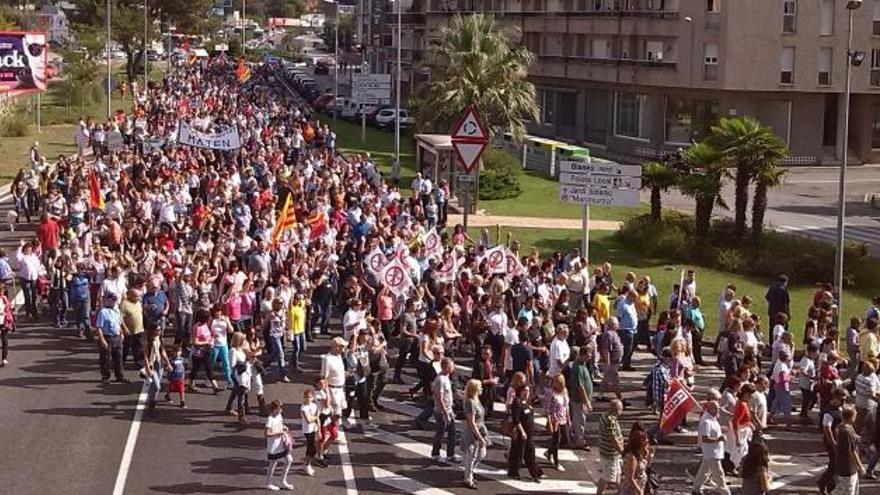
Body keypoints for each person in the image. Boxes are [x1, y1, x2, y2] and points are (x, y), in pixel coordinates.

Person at [692, 400, 731, 495]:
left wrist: (720, 429)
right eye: (716, 409)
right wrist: (719, 439)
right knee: (719, 473)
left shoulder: (712, 418)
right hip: (712, 451)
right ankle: (724, 491)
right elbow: (705, 438)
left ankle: (696, 489)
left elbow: (713, 431)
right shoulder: (706, 421)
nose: (718, 410)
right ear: (710, 409)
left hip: (713, 451)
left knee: (704, 471)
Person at [508, 384, 543, 482]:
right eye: (524, 390)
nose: (526, 393)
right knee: (518, 453)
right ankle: (513, 472)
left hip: (529, 433)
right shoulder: (517, 403)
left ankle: (535, 472)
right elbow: (516, 420)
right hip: (521, 434)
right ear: (520, 391)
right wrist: (522, 432)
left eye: (528, 391)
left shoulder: (528, 403)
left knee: (530, 453)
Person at [431, 357, 459, 464]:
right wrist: (445, 412)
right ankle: (435, 453)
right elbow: (440, 397)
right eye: (451, 366)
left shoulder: (446, 377)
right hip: (442, 411)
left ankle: (450, 454)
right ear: (446, 367)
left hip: (448, 409)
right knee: (440, 433)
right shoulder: (441, 379)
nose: (453, 368)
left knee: (452, 432)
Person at [462, 378, 489, 489]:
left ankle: (470, 473)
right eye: (480, 387)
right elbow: (471, 422)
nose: (481, 389)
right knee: (472, 455)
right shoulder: (470, 402)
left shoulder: (476, 398)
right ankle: (468, 479)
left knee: (482, 453)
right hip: (472, 431)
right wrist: (479, 437)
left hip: (480, 428)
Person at [818, 389, 847, 494]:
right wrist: (833, 443)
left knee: (837, 464)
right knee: (834, 464)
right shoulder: (829, 412)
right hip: (832, 442)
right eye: (842, 399)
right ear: (835, 398)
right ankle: (823, 482)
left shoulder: (839, 407)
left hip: (840, 441)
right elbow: (827, 429)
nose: (844, 402)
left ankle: (831, 485)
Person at [95, 293, 128, 384]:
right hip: (107, 337)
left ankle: (120, 375)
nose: (114, 302)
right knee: (106, 358)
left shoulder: (117, 310)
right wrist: (102, 340)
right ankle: (105, 376)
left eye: (115, 299)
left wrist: (121, 333)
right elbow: (99, 328)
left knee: (119, 357)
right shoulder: (103, 312)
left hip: (117, 337)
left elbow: (119, 323)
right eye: (112, 299)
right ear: (107, 300)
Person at [833, 406, 864, 495]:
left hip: (844, 463)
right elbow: (853, 451)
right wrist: (861, 466)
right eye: (855, 416)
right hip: (848, 466)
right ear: (851, 417)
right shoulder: (846, 432)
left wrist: (857, 438)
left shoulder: (841, 426)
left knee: (850, 488)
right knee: (848, 490)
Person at [264, 400, 294, 491]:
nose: (281, 411)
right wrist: (278, 433)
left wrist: (283, 427)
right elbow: (266, 434)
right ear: (274, 409)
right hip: (274, 446)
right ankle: (268, 483)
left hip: (281, 443)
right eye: (279, 409)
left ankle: (283, 480)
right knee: (273, 463)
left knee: (289, 460)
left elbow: (280, 424)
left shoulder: (279, 416)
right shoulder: (270, 419)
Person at [597, 399, 625, 495]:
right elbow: (613, 439)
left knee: (617, 474)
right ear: (617, 410)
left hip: (611, 453)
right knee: (607, 477)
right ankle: (599, 492)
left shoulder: (605, 416)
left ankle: (620, 491)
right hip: (610, 453)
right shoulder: (610, 420)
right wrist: (622, 451)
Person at [568, 345, 593, 449]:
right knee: (579, 421)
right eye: (588, 355)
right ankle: (579, 441)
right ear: (582, 354)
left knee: (580, 420)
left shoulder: (582, 364)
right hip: (579, 400)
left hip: (581, 399)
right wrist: (586, 402)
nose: (590, 357)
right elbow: (580, 387)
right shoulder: (578, 368)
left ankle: (579, 438)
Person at [143, 323, 170, 417]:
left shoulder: (159, 340)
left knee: (154, 387)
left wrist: (168, 363)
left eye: (160, 329)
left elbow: (163, 352)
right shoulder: (148, 342)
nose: (159, 331)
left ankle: (152, 406)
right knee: (157, 386)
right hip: (152, 364)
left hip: (159, 363)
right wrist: (147, 368)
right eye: (157, 330)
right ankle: (151, 404)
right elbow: (146, 356)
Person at [545, 373, 570, 471]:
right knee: (556, 440)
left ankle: (549, 451)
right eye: (555, 382)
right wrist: (550, 421)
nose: (557, 384)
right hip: (555, 418)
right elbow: (548, 408)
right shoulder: (551, 393)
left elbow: (566, 405)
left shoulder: (565, 391)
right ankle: (556, 461)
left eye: (559, 382)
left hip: (563, 417)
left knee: (565, 439)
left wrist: (569, 418)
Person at [620, 422, 653, 495]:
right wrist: (639, 491)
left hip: (640, 486)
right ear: (639, 443)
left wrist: (648, 457)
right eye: (645, 442)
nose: (647, 444)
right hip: (632, 490)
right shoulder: (632, 457)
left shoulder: (640, 454)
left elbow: (645, 468)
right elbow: (630, 478)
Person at [300, 388, 320, 476]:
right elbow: (308, 420)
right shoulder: (303, 408)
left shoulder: (314, 405)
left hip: (313, 429)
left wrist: (319, 430)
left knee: (313, 448)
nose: (308, 399)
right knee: (311, 448)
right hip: (307, 430)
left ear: (313, 398)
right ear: (304, 397)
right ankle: (307, 465)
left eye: (310, 397)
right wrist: (316, 416)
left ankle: (307, 461)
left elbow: (316, 419)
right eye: (306, 397)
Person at [0, 284, 14, 367]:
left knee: (4, 341)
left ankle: (4, 358)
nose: (1, 293)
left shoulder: (4, 299)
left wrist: (11, 308)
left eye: (2, 291)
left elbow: (8, 308)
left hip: (4, 322)